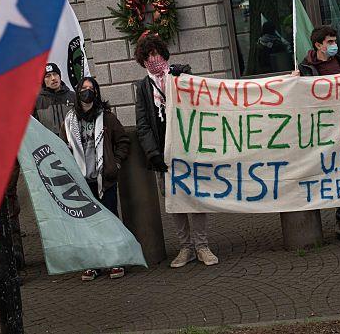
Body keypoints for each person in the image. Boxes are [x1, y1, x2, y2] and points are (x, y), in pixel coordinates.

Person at [132, 33, 219, 267]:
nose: (154, 59)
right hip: (163, 153)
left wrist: (184, 75)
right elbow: (143, 125)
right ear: (142, 61)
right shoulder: (143, 87)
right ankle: (186, 248)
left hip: (187, 149)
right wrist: (153, 154)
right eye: (148, 56)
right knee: (174, 200)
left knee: (195, 197)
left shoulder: (179, 76)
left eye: (156, 53)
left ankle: (202, 246)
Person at [295, 25, 340, 240]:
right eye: (329, 42)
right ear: (318, 45)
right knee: (337, 173)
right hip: (325, 128)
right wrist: (293, 81)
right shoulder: (305, 68)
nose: (334, 45)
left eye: (335, 41)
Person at [60, 76, 131, 281]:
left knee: (109, 219)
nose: (87, 92)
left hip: (104, 178)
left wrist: (115, 164)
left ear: (97, 93)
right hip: (81, 181)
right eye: (83, 89)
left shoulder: (107, 118)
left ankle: (115, 260)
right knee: (88, 223)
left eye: (91, 89)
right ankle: (94, 263)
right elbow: (63, 146)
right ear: (78, 92)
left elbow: (123, 141)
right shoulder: (69, 121)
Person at [33, 62, 75, 134]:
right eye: (48, 76)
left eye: (55, 74)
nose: (53, 78)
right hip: (49, 143)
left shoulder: (73, 96)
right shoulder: (36, 102)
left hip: (72, 142)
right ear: (43, 81)